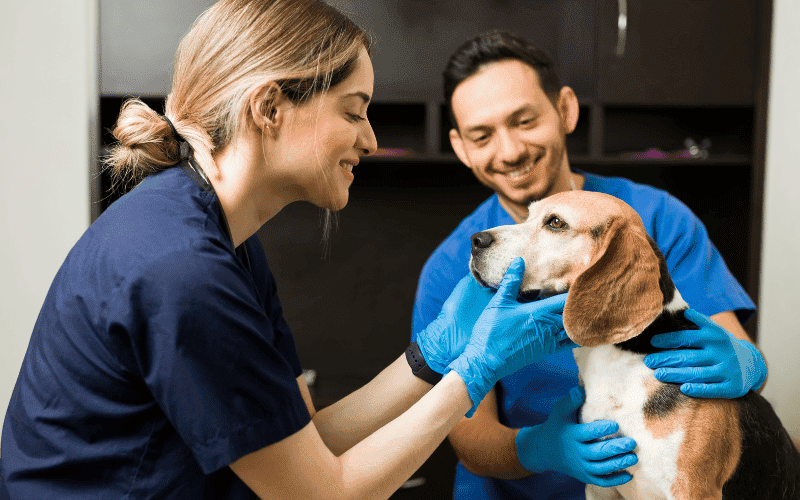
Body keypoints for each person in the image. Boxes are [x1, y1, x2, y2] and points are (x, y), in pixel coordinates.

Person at [0, 4, 579, 499]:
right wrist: (475, 372)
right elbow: (323, 494)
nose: (371, 139)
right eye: (353, 110)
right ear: (270, 107)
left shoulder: (225, 241)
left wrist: (433, 355)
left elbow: (308, 441)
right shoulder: (182, 270)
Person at [411, 30, 766, 500]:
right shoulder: (453, 267)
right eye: (482, 135)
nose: (510, 150)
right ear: (460, 147)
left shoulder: (656, 220)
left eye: (524, 121)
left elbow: (727, 354)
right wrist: (538, 449)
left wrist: (746, 364)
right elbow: (466, 437)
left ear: (565, 110)